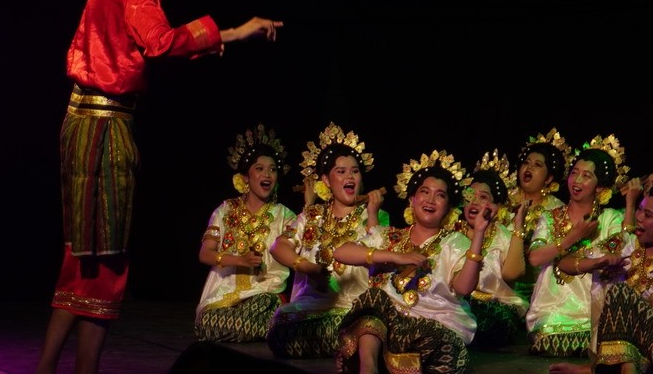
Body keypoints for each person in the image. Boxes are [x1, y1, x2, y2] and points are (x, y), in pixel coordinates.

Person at [35, 0, 284, 374]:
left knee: (82, 257)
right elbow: (161, 42)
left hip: (84, 122)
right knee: (106, 261)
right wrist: (233, 33)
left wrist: (230, 34)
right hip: (104, 128)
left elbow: (148, 47)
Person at [550, 173, 653, 374]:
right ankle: (615, 367)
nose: (638, 218)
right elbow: (564, 263)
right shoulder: (625, 244)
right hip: (637, 349)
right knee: (634, 358)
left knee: (621, 293)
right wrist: (597, 262)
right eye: (639, 209)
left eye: (648, 215)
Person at [330, 149, 480, 374]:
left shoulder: (455, 242)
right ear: (412, 199)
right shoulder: (389, 237)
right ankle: (368, 367)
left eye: (440, 195)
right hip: (387, 327)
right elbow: (340, 252)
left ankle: (386, 362)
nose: (430, 200)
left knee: (451, 350)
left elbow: (464, 287)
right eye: (424, 192)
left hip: (428, 328)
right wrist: (394, 256)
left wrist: (478, 233)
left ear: (448, 207)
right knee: (373, 300)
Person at [267, 123, 388, 358]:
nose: (349, 176)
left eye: (354, 171)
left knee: (361, 330)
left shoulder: (375, 214)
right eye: (341, 172)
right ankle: (350, 351)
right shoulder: (312, 215)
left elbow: (380, 259)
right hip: (311, 309)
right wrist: (308, 267)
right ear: (326, 179)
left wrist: (372, 214)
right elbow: (278, 246)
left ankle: (356, 348)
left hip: (355, 309)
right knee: (278, 332)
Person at [525, 135, 630, 358]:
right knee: (554, 341)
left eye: (586, 176)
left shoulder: (609, 218)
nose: (577, 181)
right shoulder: (550, 217)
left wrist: (630, 204)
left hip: (594, 308)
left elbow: (619, 253)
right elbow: (534, 258)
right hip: (554, 310)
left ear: (600, 186)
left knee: (603, 341)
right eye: (574, 173)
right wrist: (572, 237)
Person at [193, 124, 297, 342]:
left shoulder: (285, 216)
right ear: (246, 177)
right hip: (224, 295)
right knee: (206, 325)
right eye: (259, 168)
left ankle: (274, 328)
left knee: (249, 317)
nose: (267, 174)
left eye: (273, 169)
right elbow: (205, 254)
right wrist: (239, 260)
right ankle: (275, 332)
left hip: (264, 295)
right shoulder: (225, 210)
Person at [458, 149, 531, 349]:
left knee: (492, 320)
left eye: (483, 197)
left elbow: (512, 273)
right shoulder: (451, 234)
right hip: (457, 303)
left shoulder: (503, 235)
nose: (474, 201)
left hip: (495, 306)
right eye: (470, 195)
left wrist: (518, 227)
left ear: (496, 206)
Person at [508, 129, 572, 303]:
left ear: (549, 178)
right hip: (499, 283)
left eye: (537, 165)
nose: (529, 168)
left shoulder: (557, 209)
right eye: (526, 163)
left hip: (538, 292)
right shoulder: (504, 203)